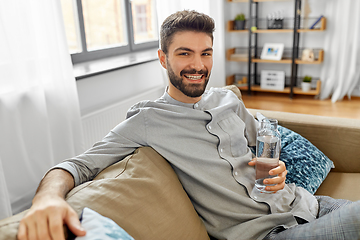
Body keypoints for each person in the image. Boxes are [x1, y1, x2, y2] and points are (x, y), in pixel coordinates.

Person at [17, 10, 359, 240]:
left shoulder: (229, 100)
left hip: (307, 204)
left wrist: (279, 170)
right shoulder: (148, 120)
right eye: (184, 54)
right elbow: (76, 165)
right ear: (163, 58)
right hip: (270, 234)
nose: (198, 65)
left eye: (206, 53)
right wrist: (46, 200)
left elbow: (263, 149)